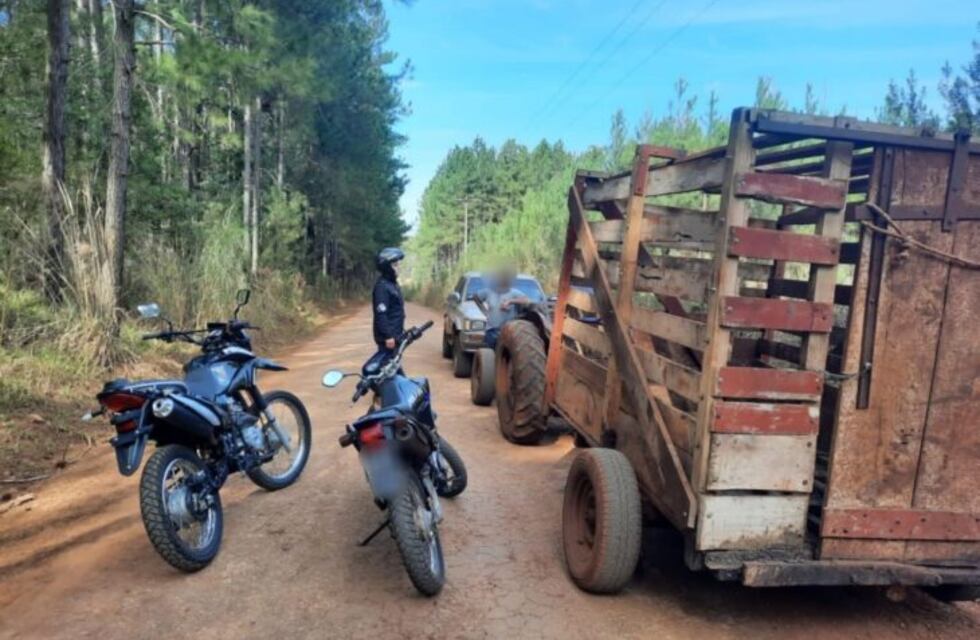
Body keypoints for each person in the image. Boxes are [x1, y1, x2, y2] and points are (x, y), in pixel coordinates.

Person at [367, 247, 406, 373]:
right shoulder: (382, 287)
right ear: (387, 267)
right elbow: (381, 314)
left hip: (395, 335)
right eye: (395, 265)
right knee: (388, 372)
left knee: (391, 370)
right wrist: (388, 336)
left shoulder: (392, 285)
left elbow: (395, 312)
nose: (398, 267)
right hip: (388, 339)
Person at [475, 269, 531, 350]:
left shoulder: (514, 292)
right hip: (492, 331)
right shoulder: (488, 291)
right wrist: (484, 311)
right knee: (490, 356)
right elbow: (476, 297)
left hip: (509, 331)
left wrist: (510, 301)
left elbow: (527, 300)